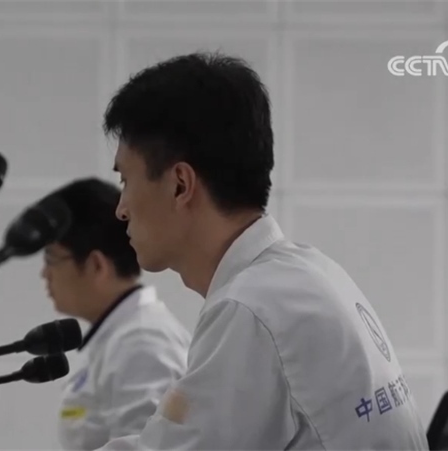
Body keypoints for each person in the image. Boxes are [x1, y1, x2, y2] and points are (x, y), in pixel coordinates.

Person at [99, 52, 429, 450]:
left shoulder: (250, 308)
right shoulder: (311, 273)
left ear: (180, 185)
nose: (120, 209)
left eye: (125, 180)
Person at [41, 178, 191, 451]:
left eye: (51, 259)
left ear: (96, 265)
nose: (44, 274)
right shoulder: (120, 337)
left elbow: (149, 447)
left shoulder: (142, 342)